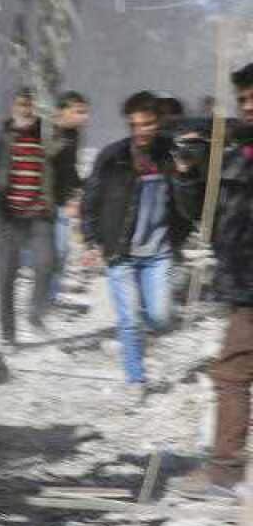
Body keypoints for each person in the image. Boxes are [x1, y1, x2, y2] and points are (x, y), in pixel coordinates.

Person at [81, 91, 195, 399]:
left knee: (159, 317)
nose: (142, 130)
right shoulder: (113, 156)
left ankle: (141, 336)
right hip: (121, 252)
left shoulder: (172, 156)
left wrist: (186, 176)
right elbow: (90, 200)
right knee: (129, 318)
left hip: (158, 253)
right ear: (130, 124)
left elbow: (189, 206)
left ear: (159, 123)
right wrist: (91, 241)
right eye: (136, 124)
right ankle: (135, 379)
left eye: (148, 124)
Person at [174, 63, 253, 499]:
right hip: (243, 282)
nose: (248, 106)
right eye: (243, 99)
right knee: (234, 371)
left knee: (233, 372)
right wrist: (187, 172)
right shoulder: (236, 155)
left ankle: (225, 473)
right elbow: (203, 218)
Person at [0, 87, 59, 345]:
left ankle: (35, 312)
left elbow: (62, 163)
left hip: (38, 214)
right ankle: (8, 336)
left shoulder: (45, 134)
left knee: (48, 263)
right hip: (7, 216)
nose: (26, 110)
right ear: (13, 107)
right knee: (6, 276)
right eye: (22, 105)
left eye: (30, 105)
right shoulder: (1, 135)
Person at [49, 91, 91, 304]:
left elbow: (69, 167)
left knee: (61, 250)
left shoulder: (73, 135)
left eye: (86, 113)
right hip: (38, 201)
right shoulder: (46, 130)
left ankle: (50, 297)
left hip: (60, 202)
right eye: (79, 112)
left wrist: (80, 184)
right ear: (62, 111)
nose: (85, 117)